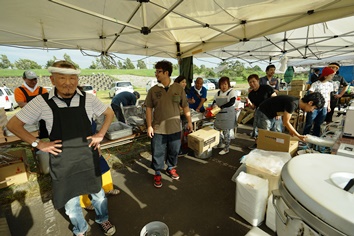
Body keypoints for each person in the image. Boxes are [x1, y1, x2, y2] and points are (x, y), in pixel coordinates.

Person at [6, 60, 116, 236]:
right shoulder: (41, 102)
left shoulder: (88, 98)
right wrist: (38, 143)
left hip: (88, 157)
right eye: (62, 78)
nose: (68, 82)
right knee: (71, 202)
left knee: (98, 194)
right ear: (52, 80)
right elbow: (13, 124)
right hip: (63, 161)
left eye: (72, 78)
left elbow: (109, 113)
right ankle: (80, 229)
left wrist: (101, 134)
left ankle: (102, 219)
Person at [145, 60, 193, 188]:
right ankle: (157, 172)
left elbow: (185, 106)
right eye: (156, 72)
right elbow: (148, 108)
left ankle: (170, 167)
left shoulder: (178, 88)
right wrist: (149, 125)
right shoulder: (153, 90)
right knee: (158, 152)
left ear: (166, 73)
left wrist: (189, 122)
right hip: (158, 128)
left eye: (158, 72)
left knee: (174, 150)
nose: (156, 74)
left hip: (175, 128)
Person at [256, 92, 325, 142]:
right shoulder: (293, 103)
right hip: (263, 112)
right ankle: (259, 151)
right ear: (310, 103)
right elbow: (286, 122)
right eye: (314, 108)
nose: (312, 111)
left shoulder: (296, 102)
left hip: (272, 113)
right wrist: (298, 135)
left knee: (275, 134)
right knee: (265, 135)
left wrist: (291, 130)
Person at [14, 70, 49, 138]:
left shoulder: (42, 90)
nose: (34, 82)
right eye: (30, 80)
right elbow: (21, 104)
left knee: (44, 136)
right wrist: (39, 106)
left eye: (35, 79)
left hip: (42, 118)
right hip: (29, 117)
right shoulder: (19, 90)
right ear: (24, 79)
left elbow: (47, 103)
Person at [246, 74, 277, 149]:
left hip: (270, 112)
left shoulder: (266, 88)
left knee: (269, 130)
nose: (252, 84)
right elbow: (254, 107)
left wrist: (277, 112)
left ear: (258, 81)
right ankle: (257, 144)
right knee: (256, 129)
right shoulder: (251, 94)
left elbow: (275, 99)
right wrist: (249, 103)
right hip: (259, 112)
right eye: (250, 82)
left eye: (254, 81)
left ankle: (269, 146)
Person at [303, 67, 334, 137]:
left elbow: (328, 95)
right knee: (309, 122)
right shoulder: (316, 84)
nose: (332, 77)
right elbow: (311, 94)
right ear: (325, 76)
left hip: (324, 106)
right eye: (331, 75)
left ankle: (315, 138)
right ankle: (304, 136)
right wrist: (311, 105)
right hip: (314, 107)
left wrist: (328, 105)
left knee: (318, 123)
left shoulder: (330, 85)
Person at [212, 76, 236, 155]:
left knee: (226, 132)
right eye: (222, 84)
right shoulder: (218, 93)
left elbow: (231, 102)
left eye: (225, 84)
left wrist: (221, 107)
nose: (224, 86)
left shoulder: (231, 92)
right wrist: (214, 105)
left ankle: (226, 148)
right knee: (217, 130)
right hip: (219, 115)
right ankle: (220, 143)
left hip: (228, 115)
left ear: (228, 84)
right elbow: (214, 101)